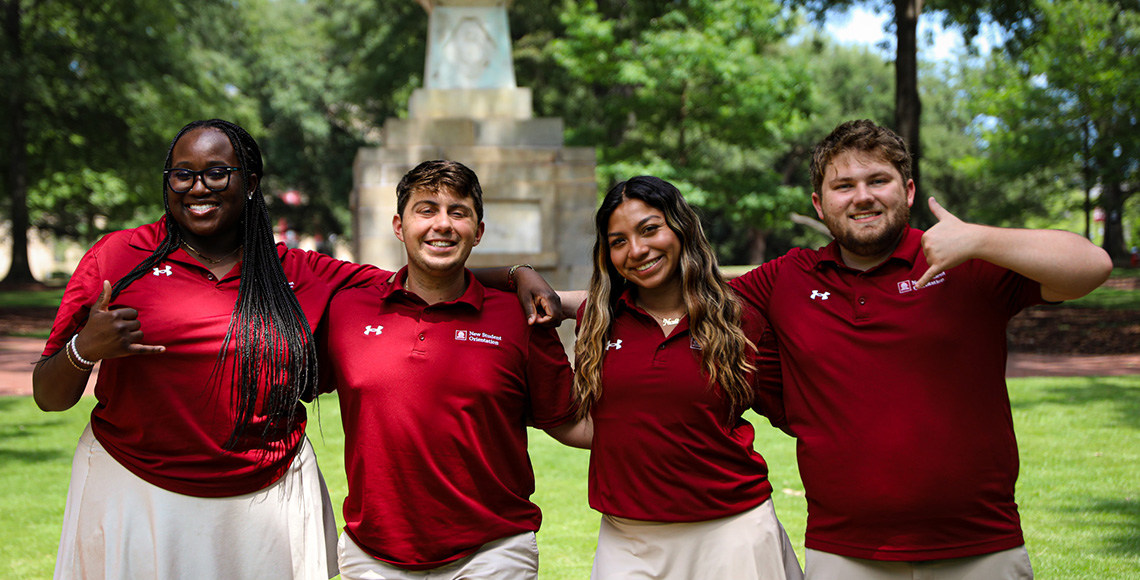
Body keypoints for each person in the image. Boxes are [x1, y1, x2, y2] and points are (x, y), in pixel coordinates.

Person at [32, 121, 557, 580]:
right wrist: (84, 348)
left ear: (251, 183)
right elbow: (48, 395)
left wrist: (516, 274)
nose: (198, 187)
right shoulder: (119, 257)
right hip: (136, 490)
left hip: (264, 497)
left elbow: (422, 274)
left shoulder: (301, 271)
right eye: (182, 173)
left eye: (217, 173)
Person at [726, 119, 1114, 579]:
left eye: (878, 180)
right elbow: (692, 307)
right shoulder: (788, 278)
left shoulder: (967, 259)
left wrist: (982, 239)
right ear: (819, 202)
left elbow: (1093, 267)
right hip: (845, 550)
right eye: (843, 185)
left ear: (908, 191)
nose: (862, 196)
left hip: (979, 545)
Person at [319, 160, 589, 580]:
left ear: (478, 231)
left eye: (458, 212)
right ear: (398, 224)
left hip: (492, 553)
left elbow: (567, 420)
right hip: (372, 555)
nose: (442, 224)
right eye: (426, 210)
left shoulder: (521, 316)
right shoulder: (347, 309)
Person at [569, 176, 803, 579]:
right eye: (618, 240)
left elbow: (794, 412)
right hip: (628, 539)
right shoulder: (596, 322)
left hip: (732, 530)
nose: (637, 250)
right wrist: (518, 274)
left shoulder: (739, 320)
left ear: (680, 228)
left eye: (649, 229)